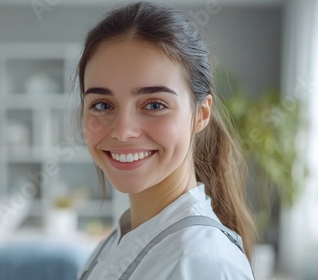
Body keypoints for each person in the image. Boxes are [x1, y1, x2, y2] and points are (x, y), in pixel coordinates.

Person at [76, 2, 257, 279]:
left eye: (155, 105)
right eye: (102, 105)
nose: (123, 131)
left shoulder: (202, 263)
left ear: (201, 114)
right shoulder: (118, 241)